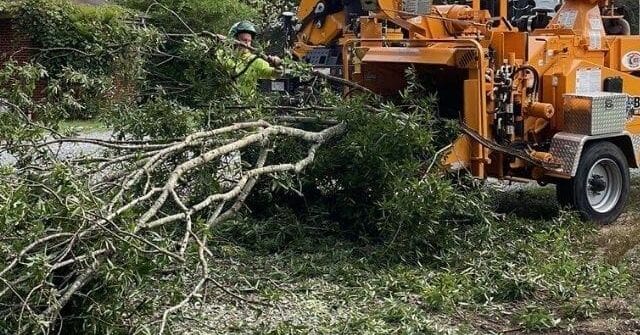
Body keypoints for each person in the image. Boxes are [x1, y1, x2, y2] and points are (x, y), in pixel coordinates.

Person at [224, 21, 283, 96]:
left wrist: (278, 66)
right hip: (222, 105)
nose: (247, 44)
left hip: (245, 105)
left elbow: (274, 74)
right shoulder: (223, 55)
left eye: (249, 41)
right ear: (233, 39)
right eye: (244, 40)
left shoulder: (255, 61)